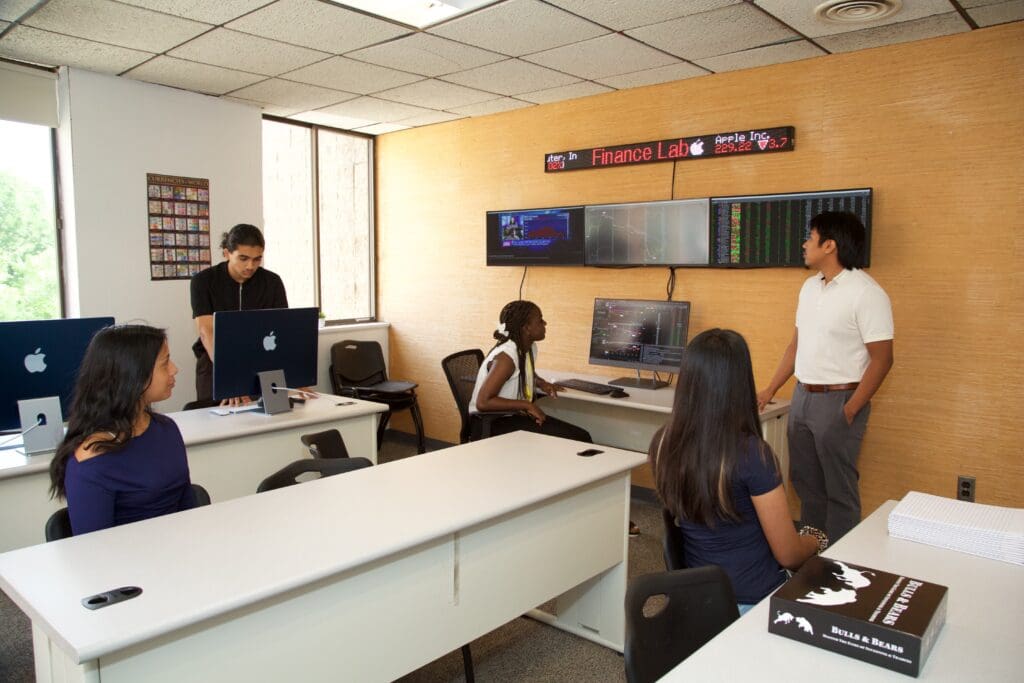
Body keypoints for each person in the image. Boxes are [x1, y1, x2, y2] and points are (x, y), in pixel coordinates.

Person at [650, 329, 823, 611]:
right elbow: (789, 555)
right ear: (740, 383)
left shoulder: (662, 443)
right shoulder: (752, 455)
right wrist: (815, 540)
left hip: (701, 596)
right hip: (751, 602)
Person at [757, 211, 893, 543]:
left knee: (839, 487)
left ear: (829, 245)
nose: (804, 244)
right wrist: (771, 388)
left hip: (841, 399)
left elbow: (883, 359)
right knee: (805, 483)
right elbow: (796, 345)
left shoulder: (867, 293)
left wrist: (850, 409)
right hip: (802, 397)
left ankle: (842, 561)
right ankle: (811, 552)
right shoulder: (809, 288)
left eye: (810, 237)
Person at [48, 325, 197, 535]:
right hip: (130, 564)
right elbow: (93, 550)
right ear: (133, 375)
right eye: (165, 364)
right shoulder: (91, 460)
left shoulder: (166, 429)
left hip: (179, 553)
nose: (174, 369)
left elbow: (187, 510)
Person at [190, 223, 287, 404]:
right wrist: (229, 379)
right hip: (215, 363)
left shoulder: (272, 282)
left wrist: (293, 378)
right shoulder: (203, 282)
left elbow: (280, 330)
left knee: (270, 420)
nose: (250, 265)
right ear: (227, 253)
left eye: (257, 259)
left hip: (261, 361)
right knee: (218, 420)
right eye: (243, 258)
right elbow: (207, 332)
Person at [470, 300, 592, 443]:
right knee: (578, 438)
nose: (545, 323)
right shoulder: (506, 358)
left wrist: (541, 383)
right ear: (526, 328)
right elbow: (483, 403)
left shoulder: (528, 347)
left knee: (576, 436)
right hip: (491, 422)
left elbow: (525, 372)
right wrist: (527, 405)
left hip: (511, 416)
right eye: (540, 320)